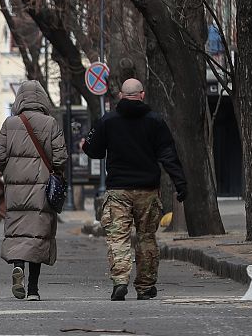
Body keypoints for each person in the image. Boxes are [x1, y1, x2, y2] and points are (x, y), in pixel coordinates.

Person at [81, 78, 189, 301]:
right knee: (146, 237)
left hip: (118, 190)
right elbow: (168, 156)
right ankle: (146, 286)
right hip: (148, 191)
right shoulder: (155, 121)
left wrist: (89, 141)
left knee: (118, 238)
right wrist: (181, 184)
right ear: (142, 95)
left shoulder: (108, 120)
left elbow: (93, 151)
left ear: (121, 95)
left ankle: (120, 281)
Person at [0, 81, 66, 301]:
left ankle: (18, 268)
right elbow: (60, 157)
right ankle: (33, 290)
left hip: (15, 190)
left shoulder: (10, 123)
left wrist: (11, 169)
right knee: (37, 235)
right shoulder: (50, 123)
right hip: (42, 189)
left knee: (17, 232)